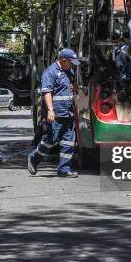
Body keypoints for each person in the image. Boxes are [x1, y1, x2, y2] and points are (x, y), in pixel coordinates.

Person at [28, 49, 80, 178]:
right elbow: (47, 92)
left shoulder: (69, 71)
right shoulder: (50, 72)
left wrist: (76, 88)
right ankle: (34, 158)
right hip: (56, 113)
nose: (72, 64)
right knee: (50, 141)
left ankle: (64, 170)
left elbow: (73, 87)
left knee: (68, 142)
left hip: (68, 113)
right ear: (63, 60)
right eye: (71, 62)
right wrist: (50, 110)